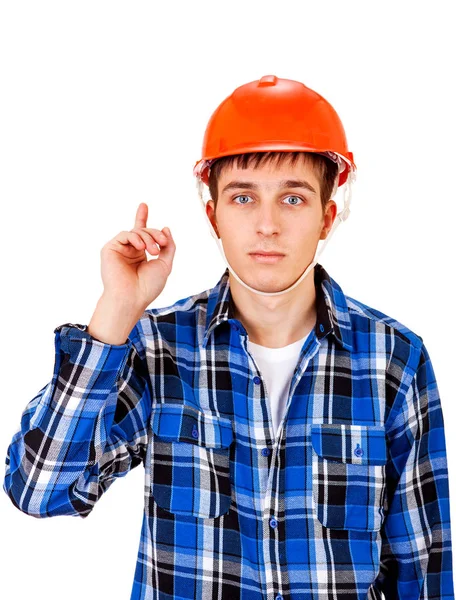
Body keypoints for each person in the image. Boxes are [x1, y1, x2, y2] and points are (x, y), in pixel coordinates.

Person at [3, 75, 454, 600]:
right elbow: (38, 489)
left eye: (293, 198)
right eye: (243, 197)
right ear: (213, 214)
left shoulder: (394, 360)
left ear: (327, 216)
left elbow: (424, 567)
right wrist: (115, 313)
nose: (267, 225)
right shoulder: (158, 348)